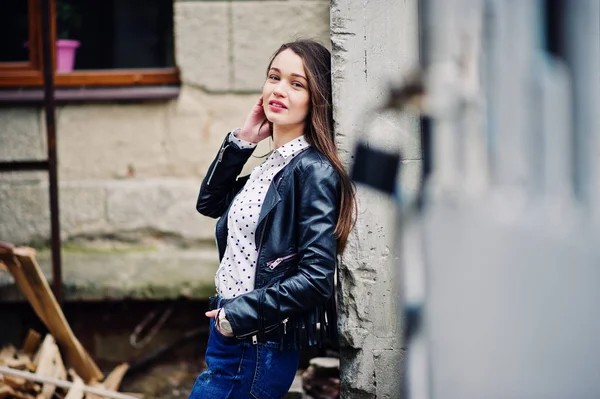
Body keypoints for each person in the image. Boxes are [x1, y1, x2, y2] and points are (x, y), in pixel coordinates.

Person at [189, 39, 356, 399]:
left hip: (257, 341)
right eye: (274, 77)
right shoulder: (272, 166)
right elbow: (209, 202)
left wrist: (237, 316)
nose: (279, 89)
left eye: (297, 84)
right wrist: (243, 140)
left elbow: (315, 279)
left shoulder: (312, 170)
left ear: (317, 98)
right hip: (232, 334)